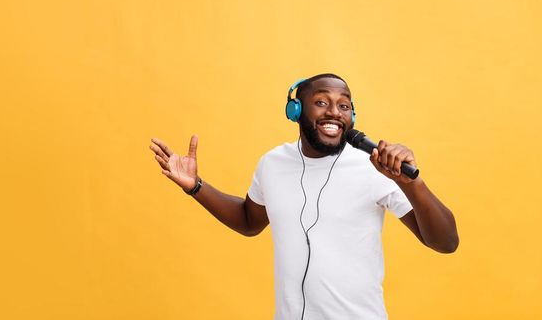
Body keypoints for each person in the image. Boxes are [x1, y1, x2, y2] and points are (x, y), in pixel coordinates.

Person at [149, 73, 458, 320]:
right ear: (295, 110)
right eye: (321, 102)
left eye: (344, 105)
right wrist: (196, 186)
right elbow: (248, 221)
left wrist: (411, 184)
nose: (334, 112)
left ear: (352, 116)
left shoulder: (374, 168)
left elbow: (445, 242)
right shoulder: (272, 163)